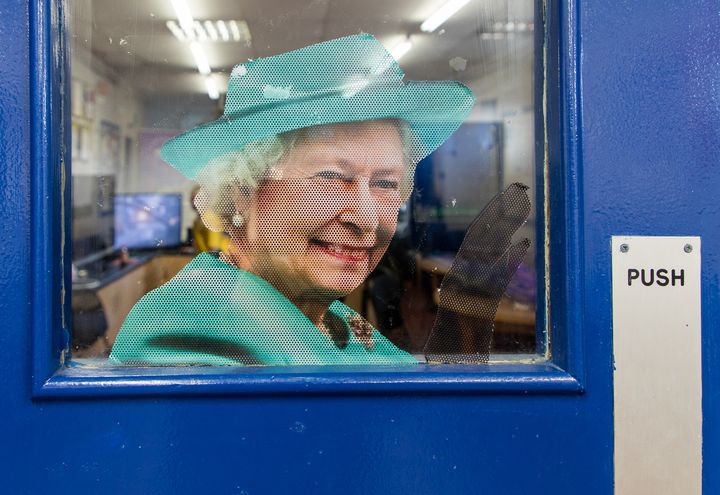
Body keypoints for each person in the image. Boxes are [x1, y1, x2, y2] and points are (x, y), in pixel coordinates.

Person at [109, 34, 475, 366]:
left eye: (385, 183)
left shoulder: (320, 312)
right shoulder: (198, 328)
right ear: (243, 191)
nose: (367, 219)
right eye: (331, 177)